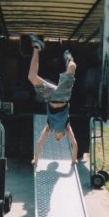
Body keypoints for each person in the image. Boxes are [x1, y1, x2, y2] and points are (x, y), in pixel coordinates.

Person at [27, 34, 78, 165]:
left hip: (50, 97)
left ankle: (37, 47)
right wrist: (74, 160)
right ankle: (67, 53)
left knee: (32, 77)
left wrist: (35, 159)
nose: (57, 138)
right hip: (62, 96)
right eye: (59, 139)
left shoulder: (49, 127)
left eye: (56, 139)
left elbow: (40, 142)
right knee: (72, 66)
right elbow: (74, 144)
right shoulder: (67, 127)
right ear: (64, 136)